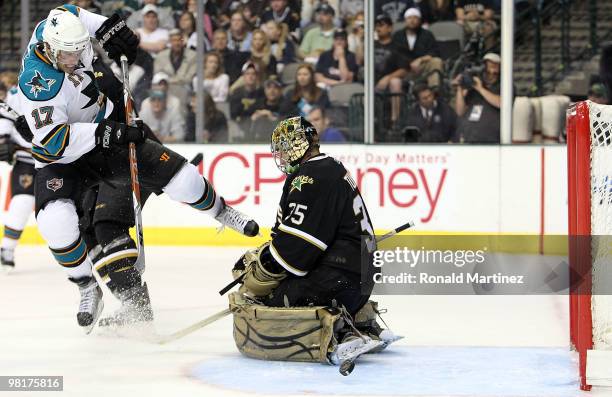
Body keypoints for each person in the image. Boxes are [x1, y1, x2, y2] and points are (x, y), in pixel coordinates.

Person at [17, 5, 259, 332]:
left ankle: (221, 212)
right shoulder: (37, 83)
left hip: (104, 129)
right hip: (64, 154)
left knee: (182, 176)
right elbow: (56, 141)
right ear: (50, 49)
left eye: (81, 49)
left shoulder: (56, 28)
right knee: (55, 222)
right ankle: (87, 286)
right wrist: (111, 132)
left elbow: (72, 12)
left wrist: (108, 30)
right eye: (70, 55)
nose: (78, 58)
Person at [229, 116, 400, 365]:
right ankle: (363, 320)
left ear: (298, 144)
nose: (282, 156)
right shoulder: (328, 168)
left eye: (285, 149)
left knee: (272, 302)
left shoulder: (310, 177)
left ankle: (340, 331)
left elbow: (298, 251)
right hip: (358, 280)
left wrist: (264, 267)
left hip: (339, 279)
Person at [0, 101, 35, 272]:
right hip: (27, 159)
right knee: (23, 202)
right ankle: (7, 248)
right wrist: (3, 139)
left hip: (60, 158)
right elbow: (5, 118)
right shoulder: (15, 96)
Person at [453, 52, 501, 143]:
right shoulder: (475, 84)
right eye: (489, 65)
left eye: (495, 66)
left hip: (490, 140)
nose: (491, 71)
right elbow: (460, 111)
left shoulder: (504, 85)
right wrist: (460, 88)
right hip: (469, 137)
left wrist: (480, 89)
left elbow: (501, 103)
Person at [392, 7, 443, 88]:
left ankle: (434, 92)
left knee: (436, 61)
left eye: (415, 17)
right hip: (403, 69)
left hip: (422, 67)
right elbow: (395, 54)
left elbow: (434, 52)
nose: (412, 20)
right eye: (409, 18)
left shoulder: (427, 34)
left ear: (419, 20)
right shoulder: (398, 36)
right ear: (405, 20)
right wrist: (409, 64)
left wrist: (420, 60)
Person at [153, 29, 197, 112]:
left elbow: (188, 78)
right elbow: (158, 76)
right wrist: (172, 81)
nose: (177, 43)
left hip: (184, 88)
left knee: (181, 92)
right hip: (164, 88)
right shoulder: (160, 56)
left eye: (179, 40)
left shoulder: (193, 56)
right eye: (174, 40)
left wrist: (169, 81)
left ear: (183, 41)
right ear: (170, 42)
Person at [249, 77, 284, 142]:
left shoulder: (286, 106)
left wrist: (271, 117)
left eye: (275, 87)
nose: (272, 91)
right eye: (269, 87)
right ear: (265, 90)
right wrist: (252, 121)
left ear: (280, 90)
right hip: (258, 143)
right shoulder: (257, 106)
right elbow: (248, 133)